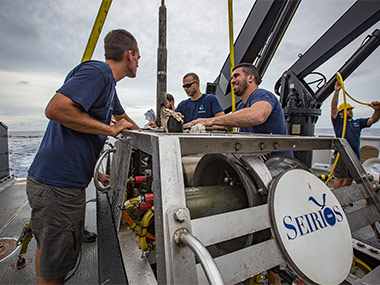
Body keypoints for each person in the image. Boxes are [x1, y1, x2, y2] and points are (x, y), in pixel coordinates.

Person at [26, 29, 140, 284]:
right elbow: (55, 109)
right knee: (54, 271)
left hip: (52, 182)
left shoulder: (108, 86)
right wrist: (109, 130)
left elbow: (123, 119)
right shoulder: (98, 72)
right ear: (129, 54)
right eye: (138, 57)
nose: (138, 63)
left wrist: (150, 131)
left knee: (48, 255)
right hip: (57, 188)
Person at [186, 63, 293, 158]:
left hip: (278, 164)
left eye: (236, 76)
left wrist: (211, 121)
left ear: (250, 78)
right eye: (232, 78)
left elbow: (257, 115)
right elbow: (224, 125)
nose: (232, 81)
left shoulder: (262, 95)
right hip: (257, 163)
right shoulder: (241, 106)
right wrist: (193, 125)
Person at [331, 81, 380, 189]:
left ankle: (345, 197)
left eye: (350, 110)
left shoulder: (357, 122)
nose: (350, 111)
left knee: (350, 178)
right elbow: (333, 108)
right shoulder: (339, 122)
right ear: (341, 113)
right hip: (341, 155)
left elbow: (373, 120)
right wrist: (337, 91)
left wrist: (377, 110)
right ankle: (338, 199)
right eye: (347, 110)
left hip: (354, 155)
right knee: (340, 178)